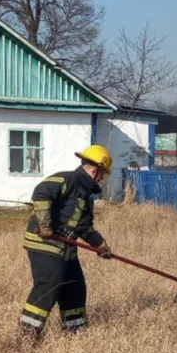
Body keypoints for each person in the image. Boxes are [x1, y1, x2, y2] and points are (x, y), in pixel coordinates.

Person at [18, 144, 114, 339]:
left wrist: (100, 245)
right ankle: (27, 336)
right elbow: (41, 193)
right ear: (95, 171)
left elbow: (84, 227)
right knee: (50, 284)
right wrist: (45, 225)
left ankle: (75, 332)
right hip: (44, 242)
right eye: (102, 175)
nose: (101, 180)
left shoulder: (85, 196)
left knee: (75, 286)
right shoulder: (66, 179)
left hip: (65, 247)